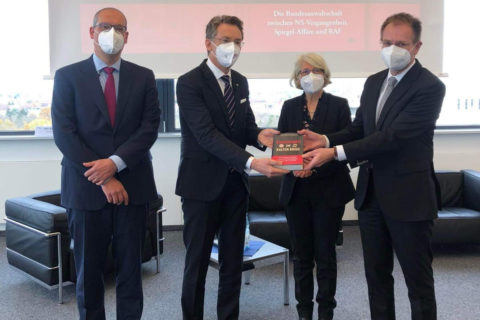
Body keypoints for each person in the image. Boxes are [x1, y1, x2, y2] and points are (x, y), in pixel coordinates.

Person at [301, 13, 445, 320]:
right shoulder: (374, 82)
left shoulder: (429, 87)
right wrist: (324, 140)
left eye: (401, 44)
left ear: (417, 47)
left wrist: (335, 153)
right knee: (376, 278)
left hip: (409, 198)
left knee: (417, 283)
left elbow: (393, 138)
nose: (393, 49)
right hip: (371, 197)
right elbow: (360, 130)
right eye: (387, 43)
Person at [175, 15, 289, 320]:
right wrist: (252, 162)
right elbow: (206, 134)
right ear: (209, 43)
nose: (232, 47)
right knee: (196, 264)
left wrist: (261, 136)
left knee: (232, 263)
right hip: (201, 187)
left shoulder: (240, 81)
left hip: (235, 186)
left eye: (238, 41)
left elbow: (244, 126)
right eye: (226, 40)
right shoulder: (188, 83)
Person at [51, 7, 160, 320]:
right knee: (88, 274)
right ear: (91, 32)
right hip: (85, 189)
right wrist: (104, 176)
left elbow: (149, 127)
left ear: (127, 36)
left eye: (119, 28)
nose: (112, 33)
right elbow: (65, 134)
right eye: (105, 26)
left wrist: (115, 164)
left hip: (133, 186)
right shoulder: (67, 76)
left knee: (130, 272)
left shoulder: (144, 76)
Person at [278, 53, 355, 320]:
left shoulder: (339, 104)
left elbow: (348, 139)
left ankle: (325, 312)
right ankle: (304, 312)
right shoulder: (289, 107)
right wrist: (295, 166)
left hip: (329, 190)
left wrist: (318, 160)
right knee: (301, 256)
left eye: (315, 70)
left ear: (325, 73)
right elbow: (283, 146)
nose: (309, 75)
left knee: (325, 255)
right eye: (303, 71)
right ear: (297, 78)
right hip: (296, 190)